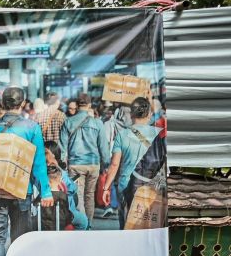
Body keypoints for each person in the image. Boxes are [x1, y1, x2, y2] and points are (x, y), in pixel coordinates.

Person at [0, 86, 54, 256]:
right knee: (21, 237)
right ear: (22, 104)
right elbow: (38, 163)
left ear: (2, 103)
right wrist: (46, 191)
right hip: (22, 190)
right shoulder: (31, 128)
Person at [102, 97, 162, 228]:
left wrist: (106, 188)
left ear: (131, 114)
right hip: (151, 186)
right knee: (149, 225)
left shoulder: (122, 135)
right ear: (149, 114)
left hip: (126, 186)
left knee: (126, 225)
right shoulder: (158, 134)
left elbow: (114, 164)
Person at [59, 93, 111, 224]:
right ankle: (89, 225)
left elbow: (62, 148)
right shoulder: (97, 123)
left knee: (79, 196)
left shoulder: (68, 122)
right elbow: (103, 147)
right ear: (89, 105)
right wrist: (106, 164)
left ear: (77, 105)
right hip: (93, 164)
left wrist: (63, 165)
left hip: (75, 165)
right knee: (90, 195)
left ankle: (82, 225)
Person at [43, 140, 89, 230]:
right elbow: (72, 189)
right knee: (84, 221)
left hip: (46, 213)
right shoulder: (61, 173)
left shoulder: (41, 172)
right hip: (65, 213)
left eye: (45, 153)